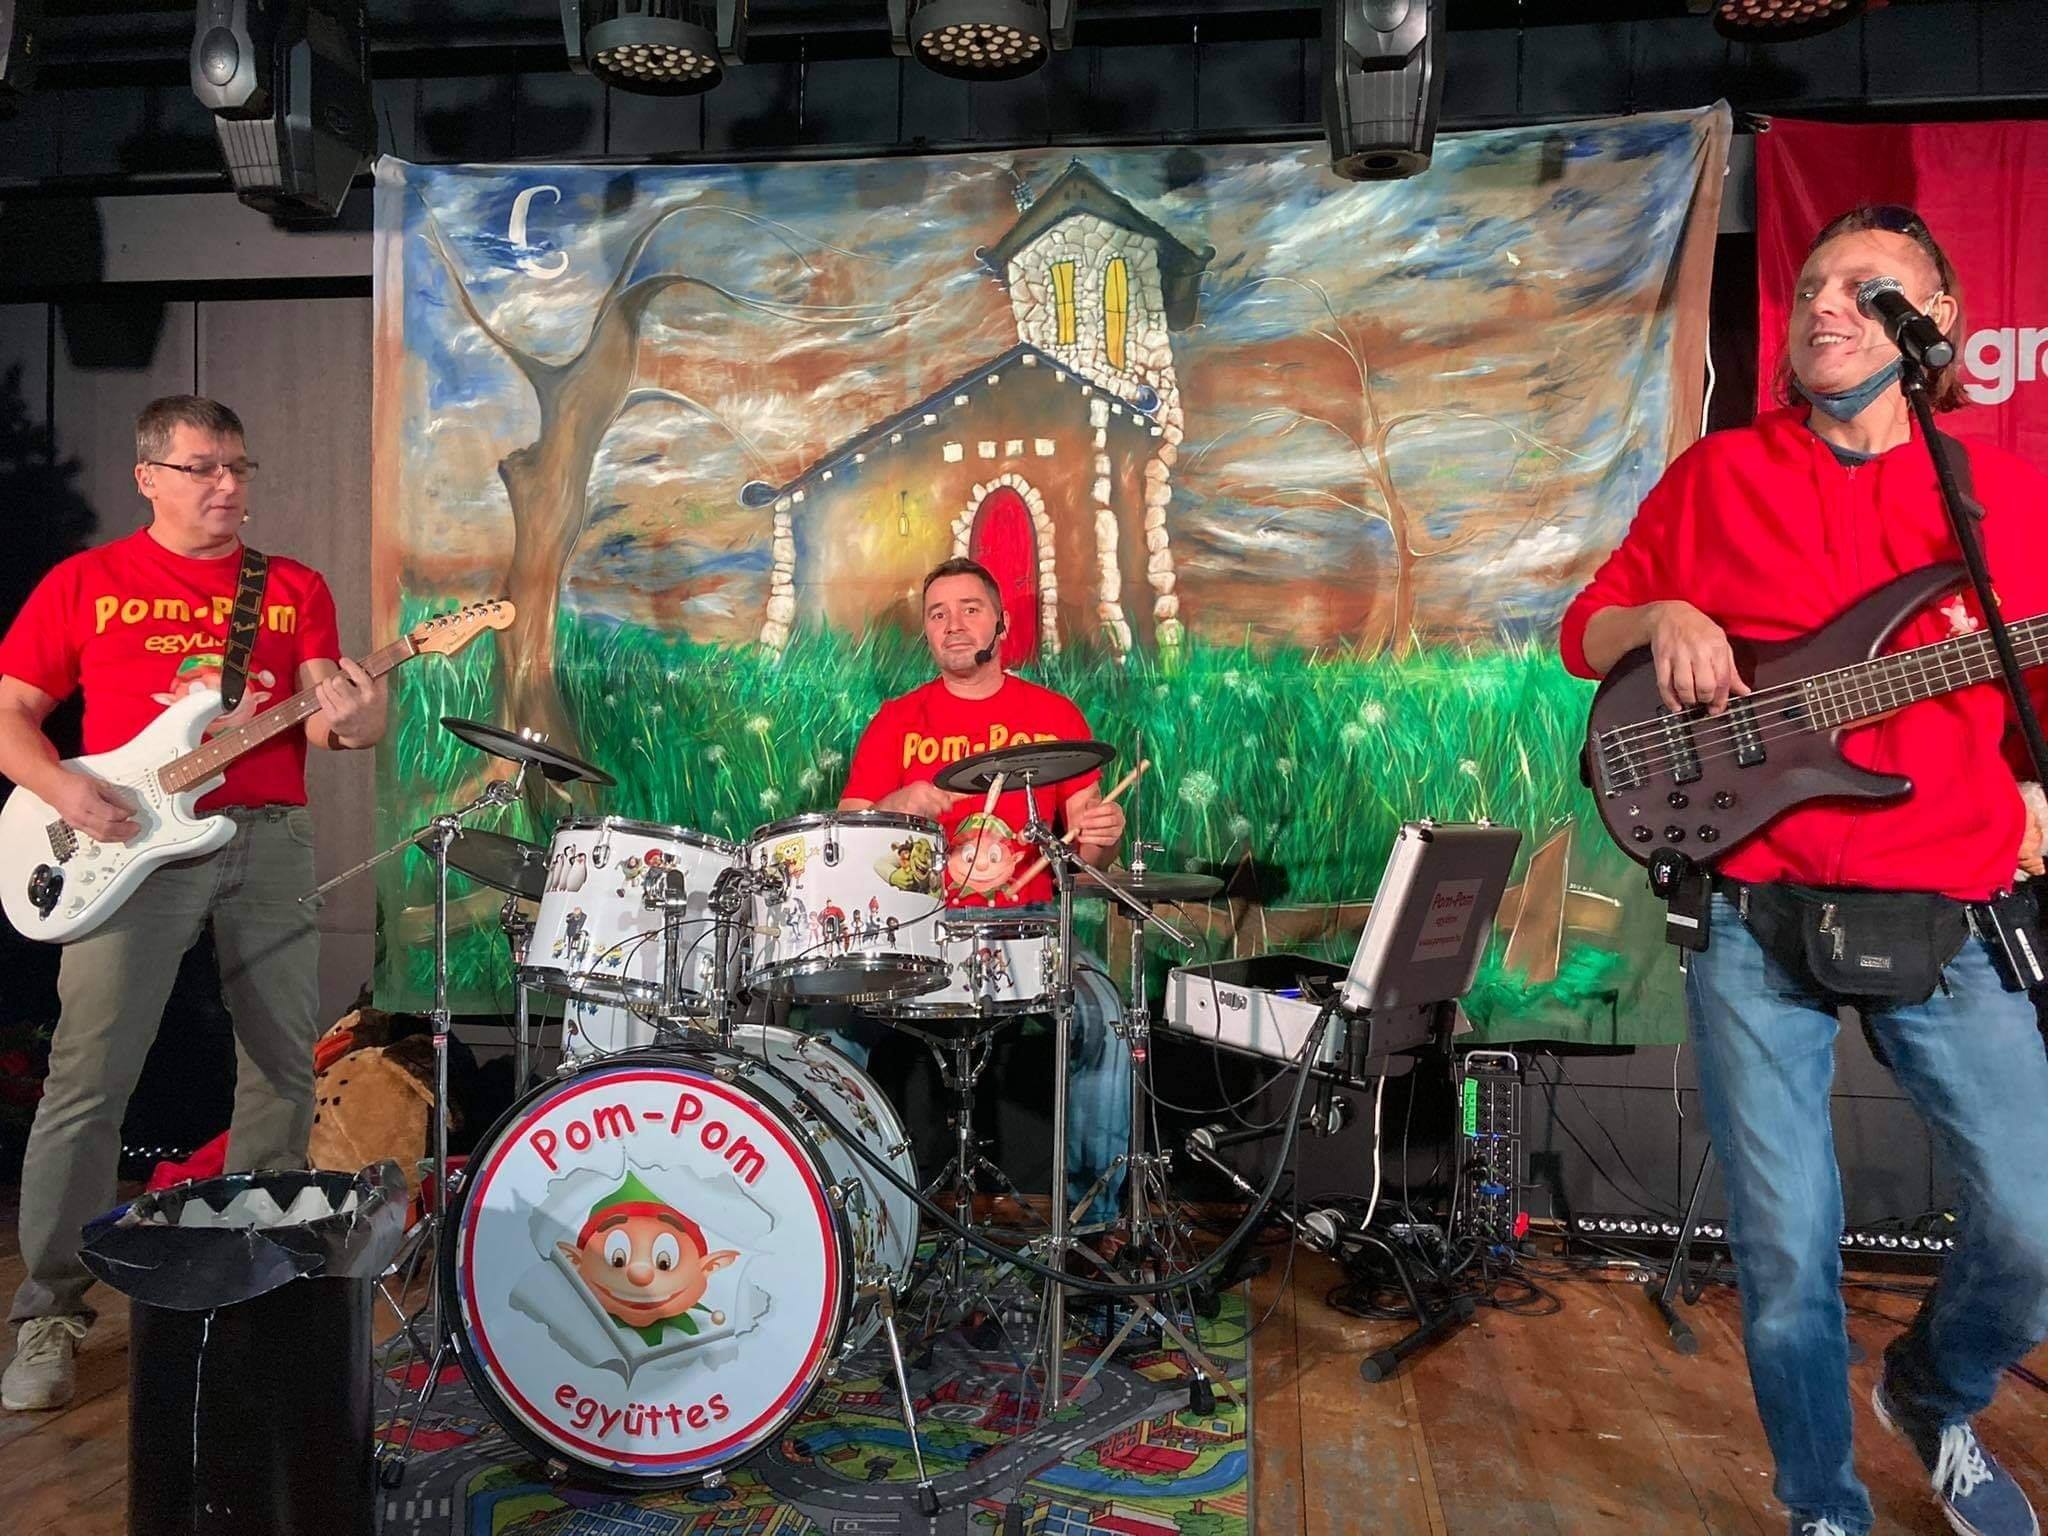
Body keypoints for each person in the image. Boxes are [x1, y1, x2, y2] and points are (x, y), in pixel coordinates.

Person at [1561, 207, 2048, 1536]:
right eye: (1812, 285)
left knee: (2034, 1219)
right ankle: (1821, 1504)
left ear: (1932, 321)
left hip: (1946, 903)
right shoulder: (1719, 475)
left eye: (1865, 287)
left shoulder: (2002, 495)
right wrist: (1662, 615)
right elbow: (1582, 630)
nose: (1824, 303)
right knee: (1784, 1250)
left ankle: (1930, 1399)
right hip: (1750, 911)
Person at [0, 396, 388, 1411]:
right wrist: (63, 790)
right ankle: (50, 1311)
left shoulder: (290, 586)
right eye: (203, 467)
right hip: (127, 842)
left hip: (268, 838)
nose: (227, 484)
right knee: (89, 1077)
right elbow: (11, 716)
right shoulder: (86, 583)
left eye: (238, 467)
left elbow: (329, 726)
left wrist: (361, 715)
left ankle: (244, 1280)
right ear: (149, 477)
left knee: (281, 1067)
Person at [831, 556, 1133, 1225]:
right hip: (918, 927)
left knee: (1106, 1020)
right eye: (937, 614)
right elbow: (848, 837)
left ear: (1001, 622)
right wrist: (896, 803)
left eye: (970, 609)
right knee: (829, 1027)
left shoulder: (1052, 713)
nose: (953, 624)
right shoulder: (898, 719)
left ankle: (1095, 1221)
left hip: (1030, 924)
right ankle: (843, 1214)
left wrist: (1102, 836)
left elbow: (1084, 852)